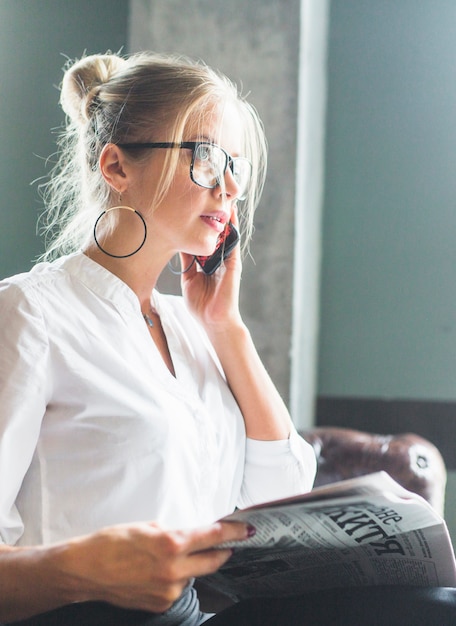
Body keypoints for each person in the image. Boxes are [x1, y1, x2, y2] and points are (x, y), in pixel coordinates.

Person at [0, 51, 317, 625]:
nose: (227, 188)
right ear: (117, 167)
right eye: (203, 157)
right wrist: (84, 569)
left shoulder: (191, 328)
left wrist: (228, 328)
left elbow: (283, 494)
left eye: (235, 167)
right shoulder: (30, 314)